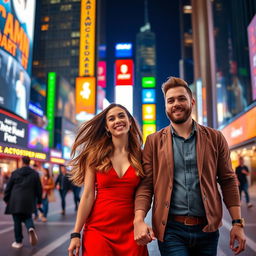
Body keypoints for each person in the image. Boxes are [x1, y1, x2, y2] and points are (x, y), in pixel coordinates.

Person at [134, 77, 246, 256]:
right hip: (171, 230)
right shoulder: (153, 142)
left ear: (192, 102)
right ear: (165, 106)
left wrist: (237, 223)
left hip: (207, 230)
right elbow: (146, 186)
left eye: (181, 98)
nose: (176, 104)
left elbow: (228, 180)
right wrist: (138, 220)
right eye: (170, 100)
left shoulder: (215, 138)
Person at [68, 103, 148, 256]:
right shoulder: (95, 155)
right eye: (111, 119)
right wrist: (76, 234)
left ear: (130, 121)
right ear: (106, 127)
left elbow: (146, 191)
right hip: (98, 230)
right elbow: (88, 195)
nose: (117, 120)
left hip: (131, 231)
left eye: (121, 116)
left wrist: (142, 221)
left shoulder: (141, 156)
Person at [4, 156, 42, 249]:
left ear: (22, 162)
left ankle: (18, 241)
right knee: (27, 217)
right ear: (29, 162)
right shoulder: (35, 174)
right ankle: (30, 227)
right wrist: (39, 201)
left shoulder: (15, 173)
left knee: (17, 221)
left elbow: (8, 187)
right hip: (28, 200)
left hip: (15, 200)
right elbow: (39, 189)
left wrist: (6, 199)